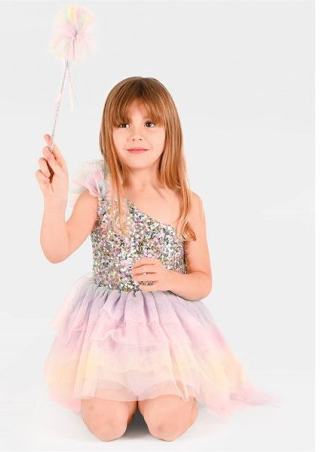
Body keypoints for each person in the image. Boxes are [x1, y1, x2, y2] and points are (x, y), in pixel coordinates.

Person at [35, 76, 277, 442]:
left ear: (170, 132)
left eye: (149, 123)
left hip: (167, 334)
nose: (136, 134)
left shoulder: (186, 202)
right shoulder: (98, 195)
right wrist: (54, 202)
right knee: (106, 427)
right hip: (108, 331)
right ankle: (122, 397)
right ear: (108, 133)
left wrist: (169, 279)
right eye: (123, 124)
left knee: (167, 426)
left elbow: (203, 281)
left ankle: (168, 395)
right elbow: (57, 250)